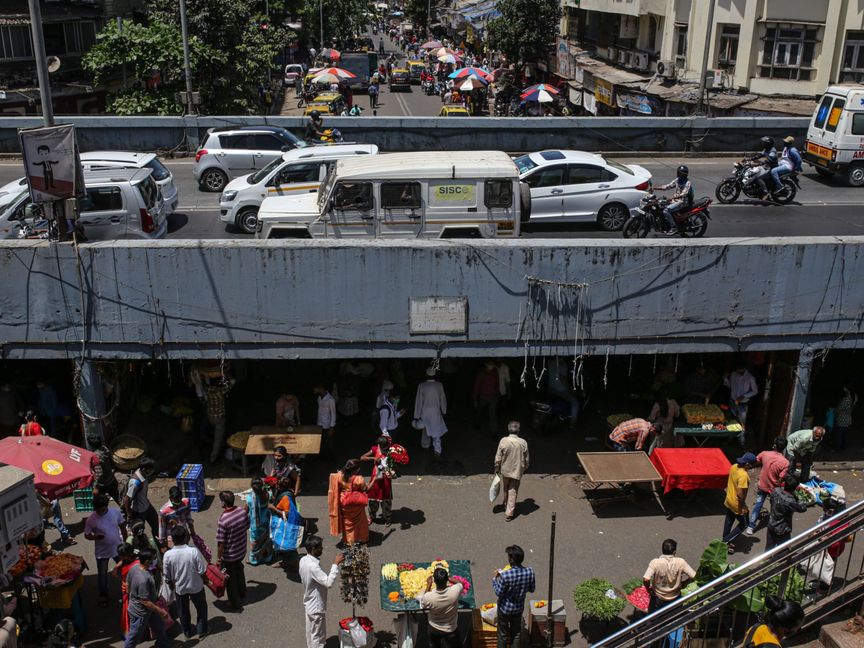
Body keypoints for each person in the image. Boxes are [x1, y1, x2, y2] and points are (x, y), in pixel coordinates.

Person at [162, 526, 208, 639]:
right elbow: (202, 570)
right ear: (185, 537)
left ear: (172, 539)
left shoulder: (168, 555)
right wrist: (206, 581)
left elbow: (167, 575)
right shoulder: (193, 551)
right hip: (196, 586)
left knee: (183, 611)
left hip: (180, 588)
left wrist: (171, 584)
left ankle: (187, 631)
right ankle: (202, 630)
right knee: (201, 608)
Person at [299, 535, 344, 648]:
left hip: (309, 602)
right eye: (320, 547)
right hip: (316, 606)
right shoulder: (313, 567)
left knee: (311, 632)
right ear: (313, 549)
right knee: (316, 636)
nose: (322, 549)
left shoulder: (303, 560)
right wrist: (335, 564)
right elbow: (328, 583)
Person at [84, 493, 127, 607]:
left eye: (103, 509)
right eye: (99, 510)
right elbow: (87, 535)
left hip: (117, 548)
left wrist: (126, 543)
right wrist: (94, 537)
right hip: (102, 552)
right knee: (102, 574)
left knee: (125, 569)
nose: (101, 512)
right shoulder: (91, 519)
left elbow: (123, 527)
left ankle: (128, 591)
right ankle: (103, 594)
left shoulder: (115, 512)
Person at [124, 548, 171, 648]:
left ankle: (164, 645)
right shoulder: (143, 579)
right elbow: (145, 601)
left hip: (149, 608)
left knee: (159, 627)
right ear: (146, 561)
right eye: (153, 559)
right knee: (134, 636)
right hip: (141, 612)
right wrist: (161, 611)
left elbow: (127, 584)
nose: (155, 560)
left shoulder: (134, 567)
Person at [492, 545, 535, 648]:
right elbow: (531, 589)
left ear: (511, 559)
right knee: (516, 634)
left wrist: (495, 579)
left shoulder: (505, 575)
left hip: (504, 609)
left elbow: (498, 592)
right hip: (518, 608)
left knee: (502, 635)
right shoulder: (530, 571)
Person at [746, 437, 789, 535]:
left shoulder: (764, 454)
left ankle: (751, 526)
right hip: (774, 489)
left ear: (774, 445)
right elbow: (780, 480)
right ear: (784, 448)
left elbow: (755, 460)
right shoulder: (785, 462)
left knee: (758, 505)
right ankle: (774, 525)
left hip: (762, 486)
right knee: (774, 506)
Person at [216, 490, 250, 609]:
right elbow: (247, 526)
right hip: (241, 551)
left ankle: (234, 602)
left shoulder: (223, 520)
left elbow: (221, 543)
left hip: (230, 555)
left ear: (224, 503)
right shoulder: (242, 511)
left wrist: (219, 559)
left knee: (230, 579)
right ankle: (242, 592)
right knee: (239, 570)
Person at [643, 539, 696, 612]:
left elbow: (646, 579)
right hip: (675, 598)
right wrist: (684, 583)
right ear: (674, 552)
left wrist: (648, 590)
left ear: (662, 550)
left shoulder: (655, 562)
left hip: (658, 599)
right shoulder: (681, 562)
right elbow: (694, 576)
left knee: (654, 621)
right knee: (673, 619)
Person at [417, 567, 463, 648]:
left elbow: (423, 605)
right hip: (451, 629)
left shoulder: (429, 597)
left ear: (434, 581)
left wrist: (428, 585)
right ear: (446, 580)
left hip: (434, 628)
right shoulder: (455, 591)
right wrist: (446, 577)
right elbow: (460, 583)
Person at [327, 459, 370, 545]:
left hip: (344, 502)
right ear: (355, 470)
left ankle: (348, 540)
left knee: (347, 522)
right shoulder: (359, 479)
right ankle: (361, 538)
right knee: (360, 520)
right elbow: (366, 489)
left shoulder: (339, 476)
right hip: (355, 503)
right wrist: (374, 480)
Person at [494, 422, 529, 522]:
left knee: (505, 487)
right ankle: (509, 513)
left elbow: (498, 457)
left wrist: (496, 467)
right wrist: (525, 468)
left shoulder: (503, 441)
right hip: (517, 470)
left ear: (508, 429)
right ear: (518, 430)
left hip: (505, 469)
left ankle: (505, 503)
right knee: (513, 490)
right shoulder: (523, 442)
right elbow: (526, 458)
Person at [723, 452, 758, 553]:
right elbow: (740, 494)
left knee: (729, 520)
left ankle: (726, 541)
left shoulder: (734, 466)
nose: (752, 466)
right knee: (745, 523)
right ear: (747, 464)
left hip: (729, 499)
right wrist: (743, 506)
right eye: (752, 464)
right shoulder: (743, 476)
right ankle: (725, 542)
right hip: (736, 503)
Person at [765, 474, 806, 550]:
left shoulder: (775, 491)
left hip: (771, 524)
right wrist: (797, 496)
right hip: (783, 529)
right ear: (795, 488)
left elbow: (771, 501)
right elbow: (802, 508)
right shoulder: (790, 501)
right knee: (784, 550)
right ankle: (784, 561)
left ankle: (765, 561)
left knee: (769, 547)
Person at [414, 367, 448, 457]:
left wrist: (416, 416)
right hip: (436, 411)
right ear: (435, 375)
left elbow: (418, 401)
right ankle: (437, 450)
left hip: (424, 412)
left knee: (425, 430)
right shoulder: (439, 385)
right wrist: (444, 411)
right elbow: (443, 399)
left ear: (426, 375)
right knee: (436, 431)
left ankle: (425, 446)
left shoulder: (422, 385)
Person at [361, 436, 394, 525]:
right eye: (382, 446)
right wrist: (373, 458)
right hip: (375, 478)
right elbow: (362, 457)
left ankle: (387, 517)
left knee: (386, 499)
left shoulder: (391, 451)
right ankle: (371, 516)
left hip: (386, 479)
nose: (384, 448)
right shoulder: (375, 449)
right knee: (373, 498)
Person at [124, 458, 159, 539]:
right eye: (150, 469)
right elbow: (127, 499)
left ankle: (158, 544)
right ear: (144, 469)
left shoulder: (144, 474)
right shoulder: (135, 483)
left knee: (156, 525)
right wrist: (129, 515)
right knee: (139, 532)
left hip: (146, 505)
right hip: (138, 511)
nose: (152, 471)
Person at [203, 375, 235, 463]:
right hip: (219, 419)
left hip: (210, 416)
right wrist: (226, 377)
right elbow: (233, 382)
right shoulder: (220, 391)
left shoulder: (207, 389)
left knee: (215, 436)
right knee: (218, 439)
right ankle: (213, 458)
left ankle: (216, 451)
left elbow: (202, 382)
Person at [657, 165, 693, 235]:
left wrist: (671, 198)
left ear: (685, 174)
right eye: (679, 173)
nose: (680, 175)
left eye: (681, 173)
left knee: (666, 210)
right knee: (660, 204)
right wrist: (654, 188)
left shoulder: (688, 182)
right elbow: (667, 187)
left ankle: (674, 227)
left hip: (682, 201)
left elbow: (683, 194)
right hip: (675, 200)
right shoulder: (677, 180)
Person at [126, 520, 162, 589]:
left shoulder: (129, 541)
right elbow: (158, 557)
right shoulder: (150, 541)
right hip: (150, 572)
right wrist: (161, 569)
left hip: (135, 572)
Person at [245, 477, 273, 566]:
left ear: (252, 487)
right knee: (266, 539)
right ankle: (267, 557)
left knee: (255, 542)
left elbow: (245, 511)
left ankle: (254, 560)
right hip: (265, 523)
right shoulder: (268, 495)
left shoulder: (249, 498)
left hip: (255, 526)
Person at [725, 365, 758, 438]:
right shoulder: (733, 374)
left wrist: (744, 396)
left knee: (742, 424)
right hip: (732, 402)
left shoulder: (750, 377)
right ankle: (730, 439)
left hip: (743, 404)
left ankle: (741, 442)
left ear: (743, 368)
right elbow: (730, 386)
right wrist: (725, 379)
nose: (736, 371)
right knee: (731, 422)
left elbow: (755, 391)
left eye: (738, 369)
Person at [115, 543, 139, 638]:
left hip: (133, 593)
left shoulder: (136, 565)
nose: (121, 558)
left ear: (128, 555)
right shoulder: (128, 559)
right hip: (127, 591)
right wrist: (116, 567)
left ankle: (132, 635)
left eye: (122, 556)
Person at [474, 361, 500, 437]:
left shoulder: (495, 374)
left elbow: (497, 385)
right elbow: (476, 388)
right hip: (483, 397)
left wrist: (497, 395)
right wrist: (475, 400)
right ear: (486, 366)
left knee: (493, 415)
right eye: (489, 366)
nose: (491, 367)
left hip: (492, 397)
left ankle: (494, 432)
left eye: (492, 366)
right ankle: (477, 422)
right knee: (479, 411)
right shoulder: (481, 374)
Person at [751, 136, 780, 200]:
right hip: (768, 167)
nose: (763, 144)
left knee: (759, 178)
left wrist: (759, 163)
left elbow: (769, 160)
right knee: (756, 173)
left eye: (765, 143)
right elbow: (760, 155)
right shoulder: (766, 149)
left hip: (773, 168)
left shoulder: (772, 151)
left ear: (768, 144)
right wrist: (750, 159)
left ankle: (766, 193)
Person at [833, 385, 858, 452]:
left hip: (842, 418)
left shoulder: (846, 398)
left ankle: (838, 448)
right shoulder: (855, 396)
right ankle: (843, 447)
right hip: (849, 417)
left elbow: (839, 408)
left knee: (839, 434)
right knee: (844, 433)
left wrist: (833, 410)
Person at [315, 384, 337, 456]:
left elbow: (333, 414)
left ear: (320, 388)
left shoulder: (330, 400)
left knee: (328, 442)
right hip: (319, 424)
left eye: (315, 388)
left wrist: (332, 427)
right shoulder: (319, 398)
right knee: (321, 442)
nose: (314, 390)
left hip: (327, 425)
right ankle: (323, 456)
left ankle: (331, 457)